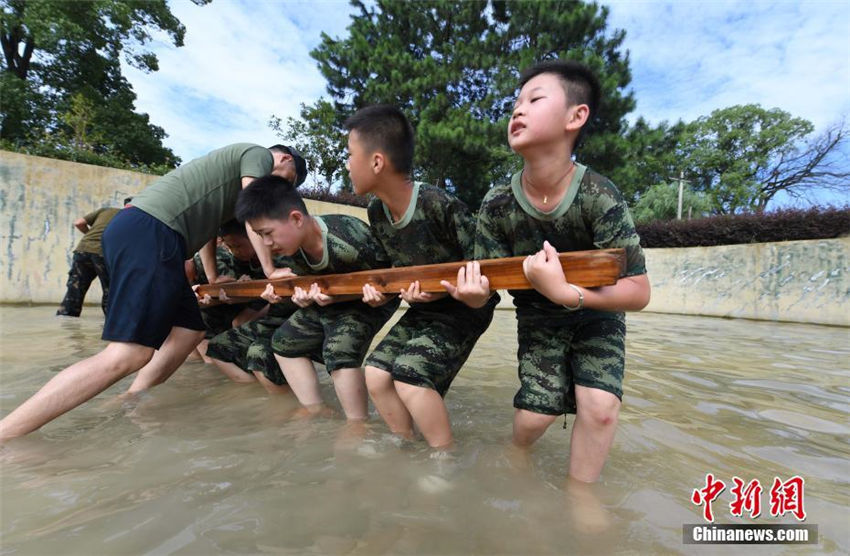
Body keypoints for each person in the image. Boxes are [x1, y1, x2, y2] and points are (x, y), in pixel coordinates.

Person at [0, 143, 306, 441]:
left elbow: (208, 233)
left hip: (152, 235)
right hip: (153, 231)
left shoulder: (225, 190)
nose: (277, 190)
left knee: (189, 330)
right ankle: (7, 432)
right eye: (286, 181)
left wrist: (214, 278)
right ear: (285, 160)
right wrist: (270, 271)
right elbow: (256, 212)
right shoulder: (256, 154)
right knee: (128, 354)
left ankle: (131, 396)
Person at [464, 60, 651, 484]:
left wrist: (569, 293)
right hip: (539, 319)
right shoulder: (496, 204)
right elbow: (488, 287)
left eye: (535, 99)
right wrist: (474, 296)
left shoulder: (599, 194)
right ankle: (516, 452)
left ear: (575, 116)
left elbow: (639, 290)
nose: (518, 110)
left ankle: (581, 497)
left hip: (597, 313)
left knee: (600, 409)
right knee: (536, 415)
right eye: (515, 103)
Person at [346, 105, 498, 449]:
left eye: (350, 155)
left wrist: (464, 294)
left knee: (410, 376)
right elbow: (393, 272)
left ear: (376, 162)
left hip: (466, 308)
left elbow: (487, 267)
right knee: (376, 374)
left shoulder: (438, 204)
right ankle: (406, 444)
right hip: (424, 307)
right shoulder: (377, 212)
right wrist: (384, 295)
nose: (347, 164)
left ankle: (443, 456)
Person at [234, 175, 399, 419]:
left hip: (372, 301)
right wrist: (287, 296)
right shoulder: (289, 250)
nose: (266, 243)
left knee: (338, 348)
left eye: (268, 233)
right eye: (260, 236)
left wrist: (376, 296)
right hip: (330, 300)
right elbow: (303, 287)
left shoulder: (349, 238)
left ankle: (358, 423)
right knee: (284, 342)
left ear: (296, 219)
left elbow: (392, 278)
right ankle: (315, 408)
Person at [188, 219, 268, 361]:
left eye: (238, 246)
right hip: (231, 303)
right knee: (195, 322)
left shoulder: (268, 256)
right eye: (230, 246)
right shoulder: (232, 259)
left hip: (265, 299)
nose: (235, 251)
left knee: (239, 322)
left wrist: (245, 289)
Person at [56, 197, 131, 317]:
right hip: (103, 253)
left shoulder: (105, 210)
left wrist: (91, 236)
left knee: (75, 286)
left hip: (83, 249)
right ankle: (111, 319)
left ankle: (66, 317)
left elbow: (79, 223)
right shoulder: (132, 218)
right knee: (110, 287)